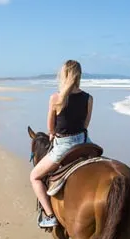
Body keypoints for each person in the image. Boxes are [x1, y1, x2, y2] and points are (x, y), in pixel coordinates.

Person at [30, 60, 94, 228]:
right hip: (84, 141)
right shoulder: (89, 98)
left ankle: (50, 216)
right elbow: (85, 124)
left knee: (35, 176)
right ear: (79, 76)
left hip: (64, 145)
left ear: (64, 75)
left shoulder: (56, 98)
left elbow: (50, 127)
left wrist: (52, 134)